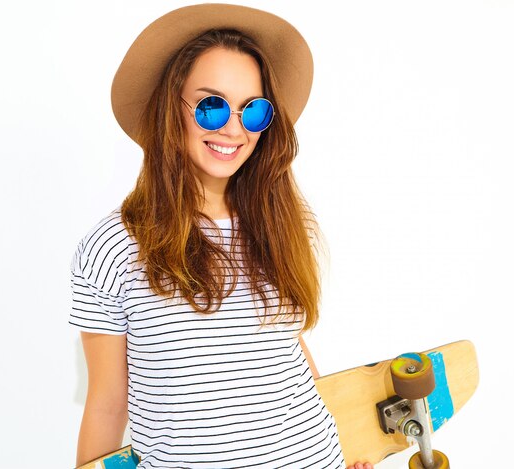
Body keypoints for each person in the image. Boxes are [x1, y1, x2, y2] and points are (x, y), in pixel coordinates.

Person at [69, 4, 372, 469]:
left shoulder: (281, 223)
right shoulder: (115, 247)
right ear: (173, 108)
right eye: (211, 106)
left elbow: (285, 348)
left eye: (253, 111)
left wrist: (345, 448)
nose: (233, 127)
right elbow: (108, 405)